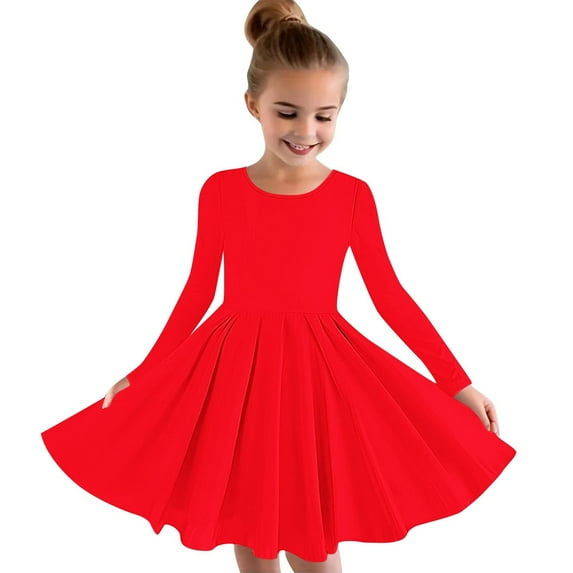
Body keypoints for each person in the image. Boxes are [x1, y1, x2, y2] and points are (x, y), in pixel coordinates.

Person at [41, 1, 516, 571]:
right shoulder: (220, 191)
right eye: (288, 113)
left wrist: (456, 383)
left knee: (311, 537)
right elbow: (197, 293)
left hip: (316, 377)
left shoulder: (352, 195)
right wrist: (142, 375)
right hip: (234, 376)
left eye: (324, 116)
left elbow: (389, 296)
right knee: (247, 516)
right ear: (253, 105)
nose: (306, 132)